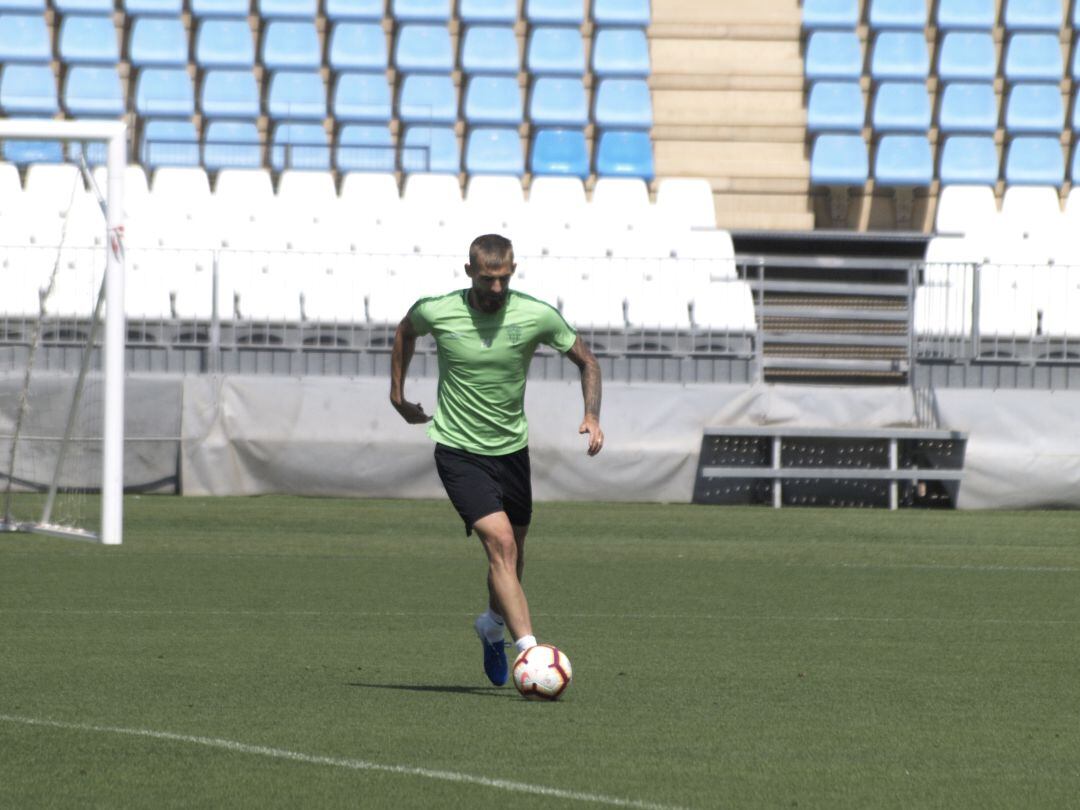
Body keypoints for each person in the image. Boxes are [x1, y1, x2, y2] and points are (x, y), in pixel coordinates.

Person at [390, 233, 603, 686]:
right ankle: (531, 653)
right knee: (502, 545)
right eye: (488, 280)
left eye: (504, 279)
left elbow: (587, 361)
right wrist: (397, 394)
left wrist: (591, 415)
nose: (497, 289)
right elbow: (405, 330)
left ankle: (491, 624)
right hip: (458, 450)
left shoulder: (536, 314)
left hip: (512, 452)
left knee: (514, 554)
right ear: (470, 272)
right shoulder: (439, 309)